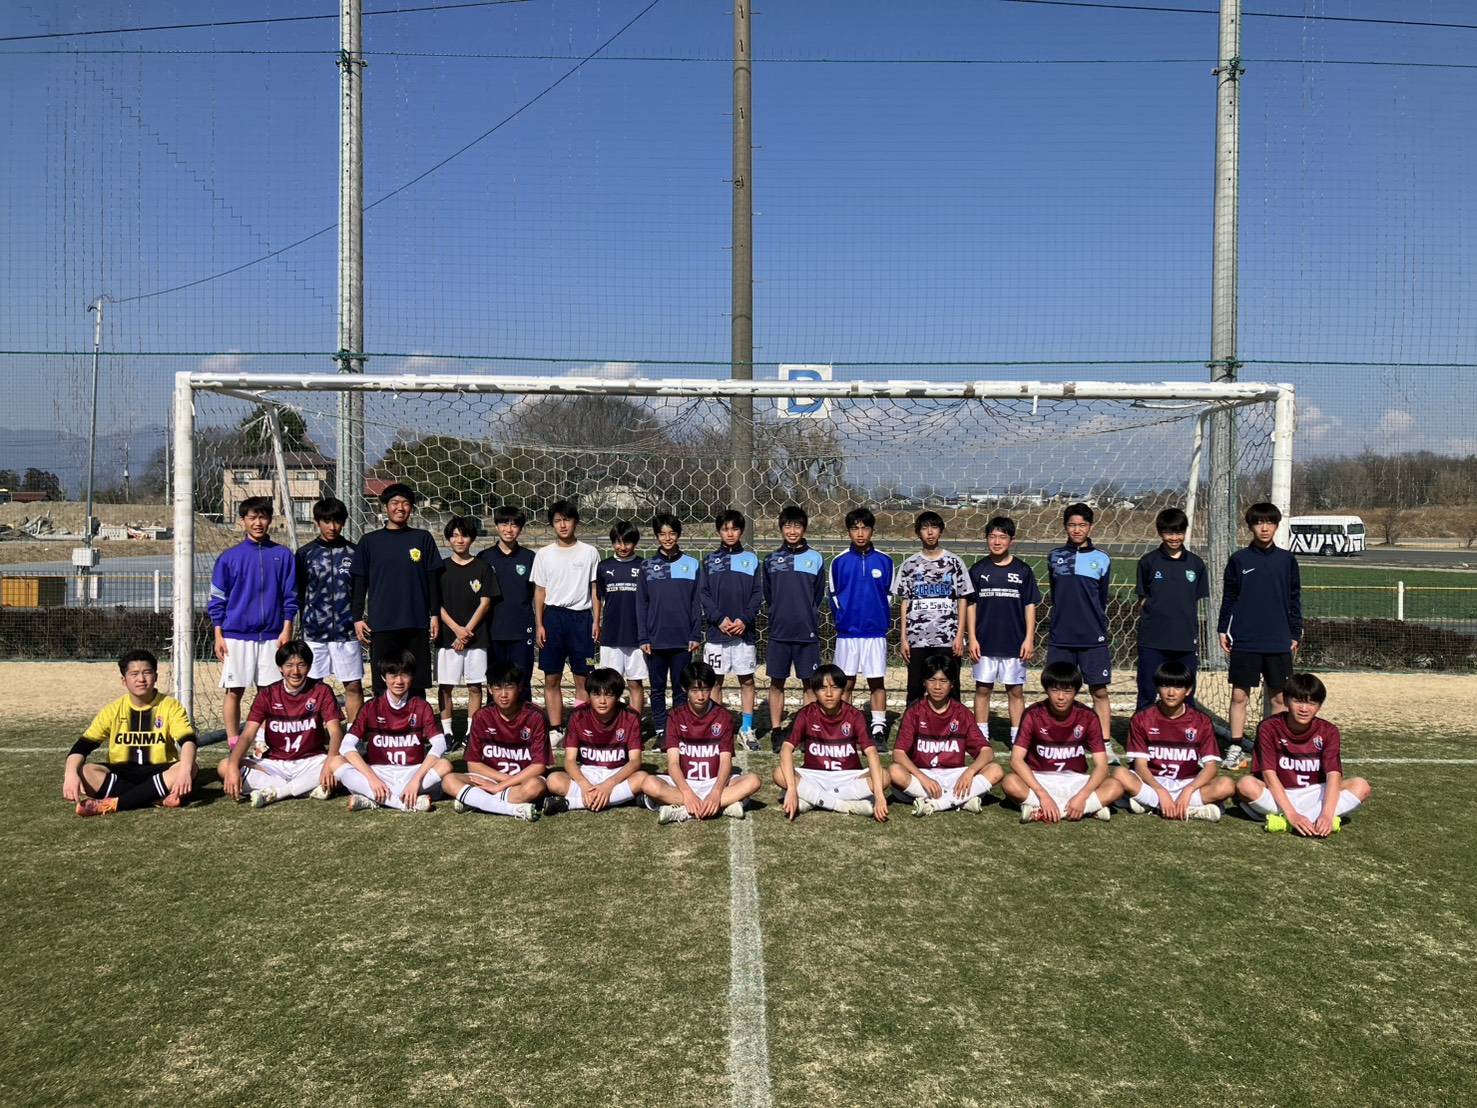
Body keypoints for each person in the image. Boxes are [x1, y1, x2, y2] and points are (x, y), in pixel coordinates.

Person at [1217, 501, 1303, 770]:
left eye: (1269, 522)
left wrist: (1295, 631)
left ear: (1276, 526)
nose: (1264, 528)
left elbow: (1294, 598)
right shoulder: (1239, 560)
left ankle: (1273, 747)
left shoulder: (1287, 560)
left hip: (1278, 639)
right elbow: (1229, 597)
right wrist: (1223, 628)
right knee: (1239, 696)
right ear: (1250, 527)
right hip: (1246, 638)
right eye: (1258, 523)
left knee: (1279, 698)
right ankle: (1235, 746)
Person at [1235, 672, 1370, 836]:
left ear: (1319, 706)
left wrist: (1327, 815)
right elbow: (1268, 774)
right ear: (1286, 700)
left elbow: (1333, 775)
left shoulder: (1329, 731)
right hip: (1279, 793)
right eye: (1298, 701)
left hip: (1315, 793)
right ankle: (1302, 819)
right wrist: (1292, 814)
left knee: (1361, 786)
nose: (1304, 709)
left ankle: (1290, 820)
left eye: (1312, 703)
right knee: (1245, 785)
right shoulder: (1269, 727)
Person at [67, 649, 199, 817]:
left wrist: (185, 771)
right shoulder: (112, 710)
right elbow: (81, 747)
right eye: (134, 674)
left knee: (190, 767)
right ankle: (155, 798)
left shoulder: (170, 706)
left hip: (160, 772)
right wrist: (70, 774)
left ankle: (114, 804)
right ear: (124, 680)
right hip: (122, 773)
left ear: (156, 677)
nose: (141, 679)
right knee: (85, 771)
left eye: (147, 673)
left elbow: (188, 741)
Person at [209, 495, 296, 747]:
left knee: (268, 693)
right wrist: (218, 633)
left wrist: (287, 628)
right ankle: (233, 742)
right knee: (234, 690)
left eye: (263, 517)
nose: (258, 523)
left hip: (272, 636)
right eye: (252, 518)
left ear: (270, 520)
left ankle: (263, 741)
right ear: (242, 521)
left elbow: (290, 596)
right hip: (236, 636)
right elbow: (218, 598)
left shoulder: (283, 555)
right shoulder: (229, 557)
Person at [221, 640, 345, 808]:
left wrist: (329, 764)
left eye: (301, 665)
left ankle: (278, 792)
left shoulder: (321, 690)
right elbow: (248, 735)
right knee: (225, 766)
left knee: (341, 763)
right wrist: (233, 765)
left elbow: (336, 732)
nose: (295, 671)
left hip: (312, 761)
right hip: (275, 764)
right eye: (289, 665)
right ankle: (304, 788)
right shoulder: (268, 694)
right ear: (280, 668)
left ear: (309, 667)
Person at [350, 483, 442, 698]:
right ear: (385, 507)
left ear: (411, 508)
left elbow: (433, 580)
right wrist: (357, 618)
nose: (400, 508)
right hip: (382, 623)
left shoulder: (422, 538)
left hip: (416, 621)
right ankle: (383, 718)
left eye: (406, 503)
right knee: (383, 680)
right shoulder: (369, 541)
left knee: (416, 680)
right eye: (395, 503)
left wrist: (435, 614)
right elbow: (359, 583)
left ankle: (417, 717)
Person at [1001, 661, 1122, 823]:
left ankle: (1042, 810)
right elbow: (1016, 760)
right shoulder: (1033, 714)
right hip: (1039, 779)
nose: (1060, 697)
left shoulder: (1088, 716)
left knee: (1115, 786)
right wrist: (1042, 795)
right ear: (1046, 690)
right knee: (1010, 782)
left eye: (1067, 691)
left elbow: (1102, 766)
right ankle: (1087, 809)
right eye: (1054, 690)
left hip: (1075, 780)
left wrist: (1082, 796)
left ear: (1076, 691)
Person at [641, 661, 761, 824]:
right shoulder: (675, 716)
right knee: (648, 784)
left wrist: (716, 793)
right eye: (694, 690)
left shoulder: (724, 716)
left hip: (715, 781)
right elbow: (673, 763)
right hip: (684, 783)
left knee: (753, 781)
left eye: (705, 689)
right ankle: (722, 806)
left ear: (711, 688)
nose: (700, 696)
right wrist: (687, 793)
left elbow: (725, 761)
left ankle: (685, 810)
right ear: (685, 689)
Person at [1111, 661, 1231, 822]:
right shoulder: (1142, 719)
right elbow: (1140, 766)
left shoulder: (1201, 721)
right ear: (1157, 687)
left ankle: (1152, 805)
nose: (1171, 693)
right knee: (1119, 774)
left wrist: (1189, 790)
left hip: (1187, 783)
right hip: (1151, 783)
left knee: (1226, 785)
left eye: (1178, 687)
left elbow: (1211, 768)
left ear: (1188, 690)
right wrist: (1160, 791)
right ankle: (1189, 810)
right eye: (1165, 685)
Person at [334, 651, 449, 812]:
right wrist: (372, 778)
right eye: (393, 675)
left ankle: (374, 799)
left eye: (404, 675)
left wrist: (416, 780)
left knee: (444, 765)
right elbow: (346, 746)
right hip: (379, 772)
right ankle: (402, 803)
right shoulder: (371, 707)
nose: (399, 681)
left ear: (412, 677)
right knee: (336, 762)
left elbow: (440, 744)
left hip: (412, 772)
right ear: (383, 677)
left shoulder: (421, 706)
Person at [888, 655, 1002, 817]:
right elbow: (898, 754)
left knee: (995, 770)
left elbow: (987, 752)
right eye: (932, 680)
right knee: (894, 772)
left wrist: (969, 772)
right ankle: (959, 800)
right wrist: (922, 777)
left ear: (952, 684)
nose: (937, 686)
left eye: (943, 681)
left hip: (955, 776)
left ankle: (935, 803)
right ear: (924, 682)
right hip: (923, 775)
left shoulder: (962, 713)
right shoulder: (914, 712)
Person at [773, 664, 888, 821]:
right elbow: (786, 748)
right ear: (815, 691)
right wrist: (792, 790)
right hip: (814, 776)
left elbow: (871, 752)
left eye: (834, 687)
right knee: (779, 774)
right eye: (822, 688)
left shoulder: (855, 715)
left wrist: (880, 796)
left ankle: (813, 800)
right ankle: (843, 805)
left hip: (848, 777)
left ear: (843, 690)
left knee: (885, 777)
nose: (828, 694)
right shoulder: (806, 714)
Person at [1045, 502, 1114, 757]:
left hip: (1092, 637)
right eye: (1072, 525)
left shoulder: (1102, 559)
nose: (1077, 529)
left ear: (1090, 527)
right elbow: (1056, 593)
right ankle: (1060, 738)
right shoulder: (1054, 557)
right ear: (1065, 527)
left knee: (1099, 690)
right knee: (1058, 691)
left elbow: (1101, 597)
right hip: (1061, 637)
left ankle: (1104, 742)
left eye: (1082, 525)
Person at [966, 515, 1040, 748]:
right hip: (984, 642)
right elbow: (970, 606)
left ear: (1011, 540)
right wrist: (972, 638)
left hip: (1014, 643)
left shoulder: (1023, 570)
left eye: (1002, 537)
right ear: (986, 539)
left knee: (1015, 691)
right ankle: (981, 737)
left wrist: (1029, 638)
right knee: (982, 689)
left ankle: (1018, 737)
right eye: (992, 536)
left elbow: (1030, 605)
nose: (997, 541)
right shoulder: (978, 570)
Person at [441, 662, 548, 822]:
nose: (503, 694)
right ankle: (512, 809)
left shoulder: (535, 716)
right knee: (448, 781)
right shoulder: (481, 716)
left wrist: (500, 786)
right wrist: (500, 781)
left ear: (519, 687)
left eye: (509, 687)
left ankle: (475, 800)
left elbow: (539, 766)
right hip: (489, 779)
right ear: (490, 689)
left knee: (536, 787)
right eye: (497, 688)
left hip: (521, 781)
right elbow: (473, 765)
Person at [532, 499, 600, 746]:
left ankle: (580, 728)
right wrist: (540, 624)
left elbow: (595, 590)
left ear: (576, 522)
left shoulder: (590, 552)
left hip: (581, 620)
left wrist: (596, 621)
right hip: (553, 619)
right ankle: (555, 728)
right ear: (552, 524)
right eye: (558, 521)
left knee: (584, 677)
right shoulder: (544, 554)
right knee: (552, 677)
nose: (563, 525)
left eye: (567, 520)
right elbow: (540, 592)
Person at [828, 506, 895, 747]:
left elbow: (889, 595)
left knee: (876, 681)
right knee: (845, 682)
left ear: (872, 530)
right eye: (855, 528)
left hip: (875, 634)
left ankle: (878, 728)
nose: (860, 533)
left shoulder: (885, 561)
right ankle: (843, 725)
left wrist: (877, 618)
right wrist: (844, 619)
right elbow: (833, 596)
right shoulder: (839, 562)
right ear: (848, 532)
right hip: (847, 635)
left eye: (864, 528)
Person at [762, 505, 827, 748]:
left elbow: (817, 595)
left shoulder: (815, 558)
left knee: (809, 684)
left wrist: (805, 614)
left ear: (804, 529)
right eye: (787, 526)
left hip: (806, 633)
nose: (792, 531)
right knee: (776, 682)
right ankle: (777, 730)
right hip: (779, 632)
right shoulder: (770, 560)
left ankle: (807, 730)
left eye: (797, 526)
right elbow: (769, 595)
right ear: (781, 528)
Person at [296, 496, 365, 724]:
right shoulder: (305, 554)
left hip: (347, 633)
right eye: (326, 521)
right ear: (317, 522)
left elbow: (360, 592)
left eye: (337, 521)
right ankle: (315, 734)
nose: (332, 527)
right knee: (313, 687)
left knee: (353, 685)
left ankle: (355, 736)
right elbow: (299, 593)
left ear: (344, 522)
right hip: (314, 633)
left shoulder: (354, 553)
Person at [699, 509, 764, 750]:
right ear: (719, 531)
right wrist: (719, 619)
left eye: (735, 529)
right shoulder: (709, 561)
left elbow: (757, 594)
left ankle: (746, 729)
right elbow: (703, 593)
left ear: (741, 531)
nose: (730, 533)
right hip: (717, 633)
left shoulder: (752, 560)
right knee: (715, 681)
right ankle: (717, 727)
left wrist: (744, 619)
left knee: (746, 680)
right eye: (725, 529)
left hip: (743, 633)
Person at [1134, 506, 1209, 711]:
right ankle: (1142, 729)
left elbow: (1193, 599)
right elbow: (1143, 599)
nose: (1174, 538)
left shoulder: (1196, 564)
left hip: (1184, 640)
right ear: (1160, 532)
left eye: (1178, 532)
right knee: (1148, 690)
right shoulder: (1148, 562)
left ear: (1185, 532)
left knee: (1186, 692)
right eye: (1168, 532)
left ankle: (1186, 730)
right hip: (1153, 640)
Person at [544, 667, 648, 814]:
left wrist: (609, 784)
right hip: (588, 772)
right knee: (553, 780)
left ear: (618, 696)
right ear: (589, 695)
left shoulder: (630, 716)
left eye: (609, 695)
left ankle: (570, 804)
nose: (602, 701)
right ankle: (622, 798)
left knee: (643, 778)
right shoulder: (578, 715)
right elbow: (570, 761)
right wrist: (585, 785)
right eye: (596, 694)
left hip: (618, 773)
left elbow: (635, 761)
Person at [893, 510, 972, 704]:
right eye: (925, 528)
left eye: (934, 527)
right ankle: (913, 722)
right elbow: (905, 602)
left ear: (941, 531)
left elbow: (963, 599)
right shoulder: (910, 565)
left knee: (950, 687)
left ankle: (953, 723)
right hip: (917, 639)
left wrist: (960, 636)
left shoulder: (954, 563)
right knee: (915, 688)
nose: (930, 532)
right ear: (918, 532)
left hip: (947, 638)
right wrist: (903, 638)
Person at [636, 512, 702, 742]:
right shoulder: (647, 566)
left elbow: (696, 603)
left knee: (681, 689)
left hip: (683, 640)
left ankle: (679, 729)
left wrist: (695, 634)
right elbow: (641, 604)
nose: (667, 538)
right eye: (662, 534)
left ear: (678, 535)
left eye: (672, 533)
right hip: (655, 641)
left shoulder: (692, 564)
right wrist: (643, 637)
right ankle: (661, 730)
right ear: (657, 536)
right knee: (657, 689)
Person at [436, 515, 500, 741]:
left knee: (474, 686)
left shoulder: (483, 567)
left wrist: (466, 632)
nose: (459, 540)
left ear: (472, 538)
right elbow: (436, 604)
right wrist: (456, 630)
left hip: (476, 638)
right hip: (448, 638)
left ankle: (471, 733)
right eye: (454, 536)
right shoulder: (440, 568)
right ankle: (447, 733)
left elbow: (485, 603)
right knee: (446, 686)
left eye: (464, 535)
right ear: (448, 539)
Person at [481, 505, 537, 704]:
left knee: (522, 679)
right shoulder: (485, 558)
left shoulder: (529, 558)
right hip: (493, 629)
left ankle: (526, 718)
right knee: (495, 679)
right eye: (504, 523)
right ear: (496, 526)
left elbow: (538, 594)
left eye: (514, 525)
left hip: (522, 629)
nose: (509, 529)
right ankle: (492, 718)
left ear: (520, 528)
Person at [594, 520, 647, 718]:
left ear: (635, 543)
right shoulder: (604, 566)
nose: (622, 547)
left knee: (635, 683)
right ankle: (610, 722)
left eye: (627, 542)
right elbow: (597, 596)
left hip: (636, 635)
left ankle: (634, 724)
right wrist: (596, 622)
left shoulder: (643, 565)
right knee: (609, 684)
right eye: (618, 542)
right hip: (611, 634)